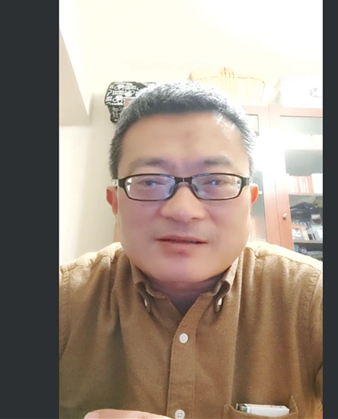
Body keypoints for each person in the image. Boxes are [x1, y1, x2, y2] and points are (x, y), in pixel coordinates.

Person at [59, 82, 323, 419]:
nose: (183, 210)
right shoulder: (66, 300)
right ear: (116, 203)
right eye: (150, 181)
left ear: (249, 202)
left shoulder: (311, 298)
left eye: (215, 181)